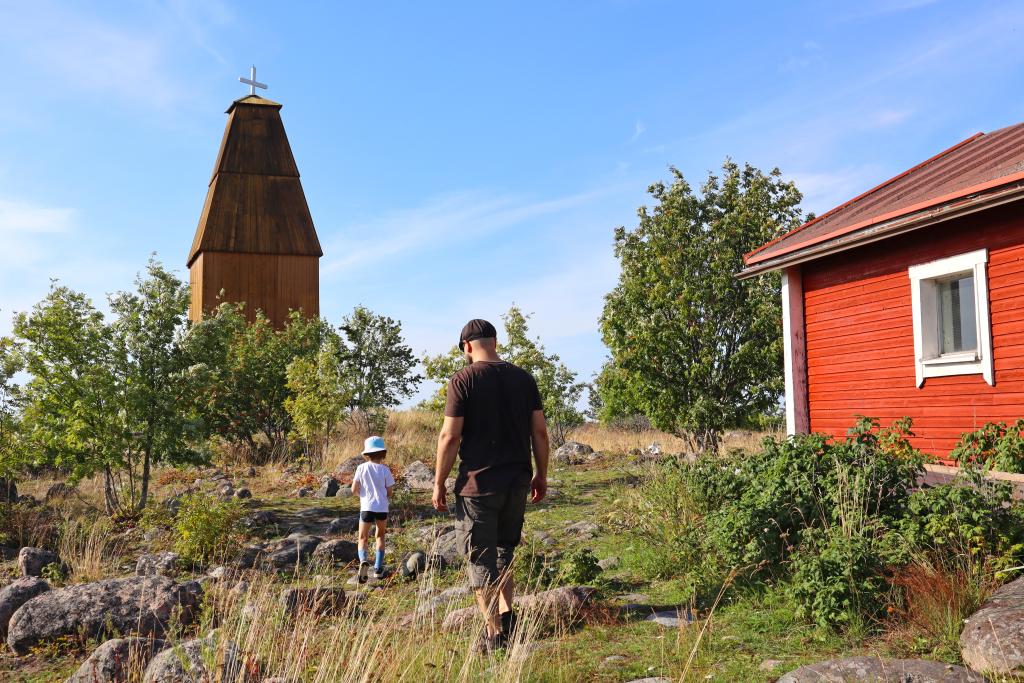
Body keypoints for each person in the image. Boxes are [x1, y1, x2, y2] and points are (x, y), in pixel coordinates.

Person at [432, 319, 550, 653]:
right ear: (495, 342)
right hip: (516, 482)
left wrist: (439, 481)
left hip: (477, 486)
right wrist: (541, 474)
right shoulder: (524, 378)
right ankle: (509, 618)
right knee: (504, 552)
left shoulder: (463, 379)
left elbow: (450, 436)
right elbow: (539, 432)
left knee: (480, 560)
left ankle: (493, 634)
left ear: (467, 347)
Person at [351, 435, 395, 583]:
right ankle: (377, 568)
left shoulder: (361, 468)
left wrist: (361, 495)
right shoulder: (385, 470)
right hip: (382, 507)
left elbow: (353, 489)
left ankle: (363, 560)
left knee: (363, 537)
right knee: (380, 536)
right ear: (383, 453)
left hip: (366, 507)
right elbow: (390, 492)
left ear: (367, 454)